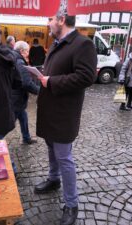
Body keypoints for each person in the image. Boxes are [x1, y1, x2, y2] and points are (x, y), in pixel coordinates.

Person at [34, 7, 97, 225]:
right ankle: (53, 179)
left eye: (50, 19)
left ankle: (72, 204)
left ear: (61, 20)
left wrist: (50, 81)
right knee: (51, 149)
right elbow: (55, 71)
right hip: (50, 109)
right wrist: (41, 76)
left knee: (64, 158)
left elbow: (86, 77)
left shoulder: (83, 44)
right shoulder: (56, 44)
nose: (48, 23)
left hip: (64, 114)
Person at [12, 41, 40, 145]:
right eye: (27, 51)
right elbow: (27, 83)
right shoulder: (19, 62)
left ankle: (26, 137)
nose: (28, 54)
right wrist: (40, 91)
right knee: (8, 124)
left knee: (23, 117)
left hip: (16, 98)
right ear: (22, 51)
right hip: (16, 99)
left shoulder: (14, 57)